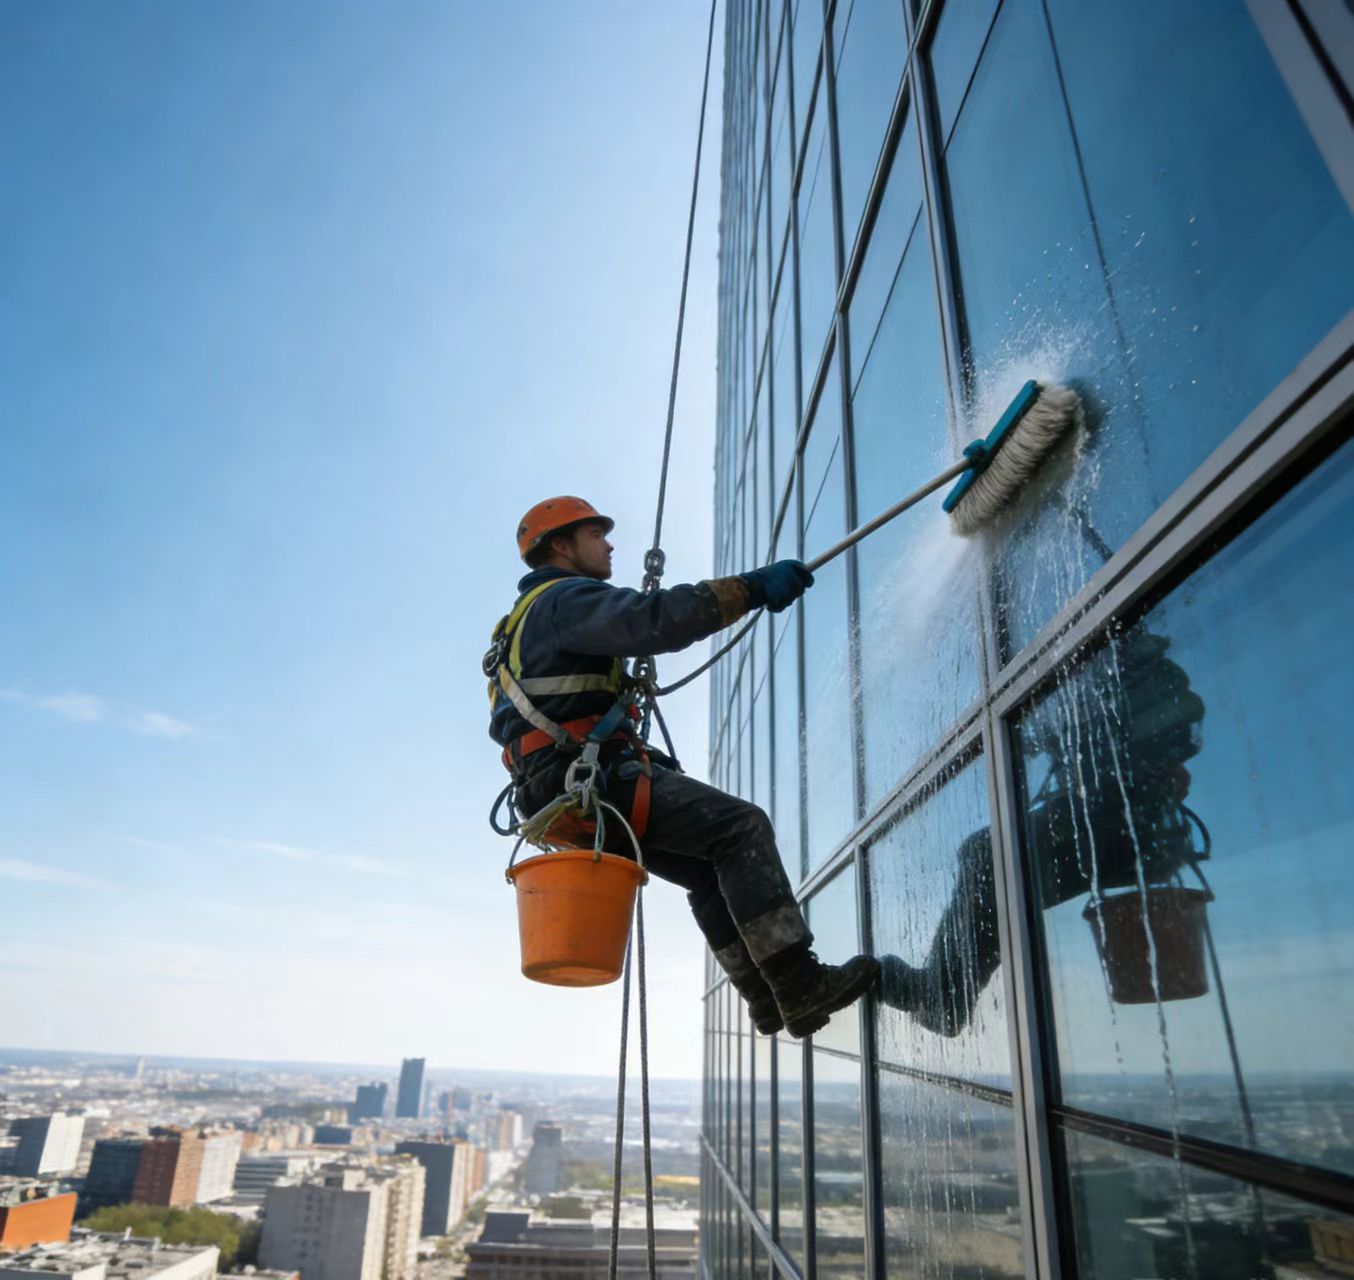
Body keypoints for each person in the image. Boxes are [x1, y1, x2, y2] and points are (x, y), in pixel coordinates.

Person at [485, 495, 879, 1038]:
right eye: (596, 535)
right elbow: (654, 621)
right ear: (560, 546)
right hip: (587, 782)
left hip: (560, 792)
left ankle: (768, 998)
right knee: (740, 828)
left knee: (704, 868)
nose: (610, 545)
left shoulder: (521, 623)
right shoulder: (564, 601)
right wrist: (751, 588)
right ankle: (798, 983)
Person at [880, 627, 1207, 1035]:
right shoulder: (1107, 680)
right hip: (1114, 822)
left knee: (986, 857)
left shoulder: (1142, 676)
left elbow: (1173, 725)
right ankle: (943, 992)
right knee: (990, 869)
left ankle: (944, 995)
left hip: (1127, 826)